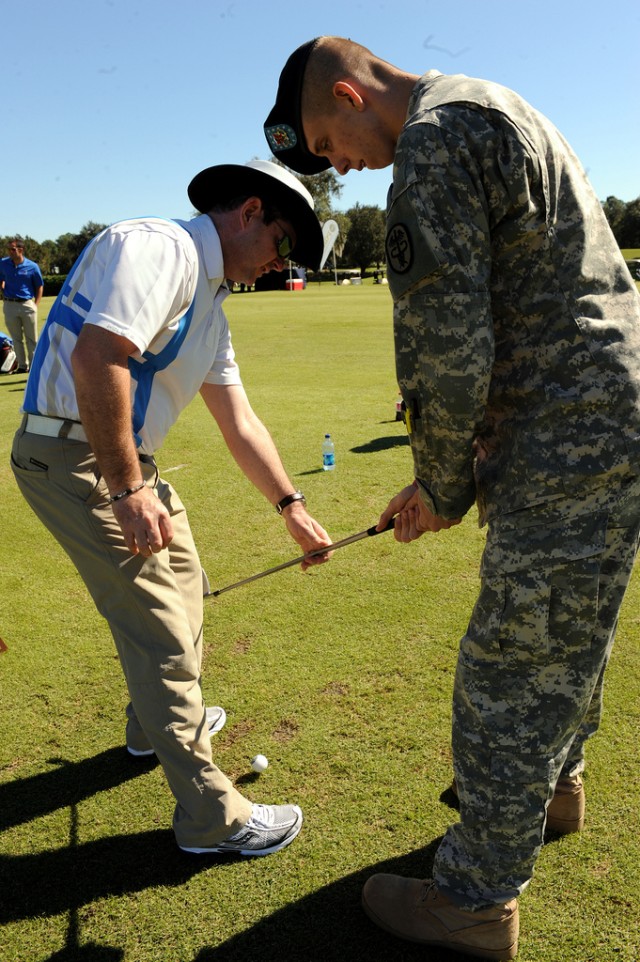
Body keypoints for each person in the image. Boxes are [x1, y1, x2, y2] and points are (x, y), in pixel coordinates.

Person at [264, 38, 640, 958]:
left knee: (508, 671)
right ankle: (555, 789)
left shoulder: (433, 142)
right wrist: (454, 466)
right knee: (569, 631)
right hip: (606, 417)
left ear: (350, 96)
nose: (338, 168)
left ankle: (473, 900)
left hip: (562, 432)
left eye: (329, 143)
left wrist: (441, 483)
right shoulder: (498, 102)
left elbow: (446, 336)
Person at [11, 159, 333, 858]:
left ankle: (147, 725)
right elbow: (100, 357)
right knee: (161, 632)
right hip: (77, 459)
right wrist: (127, 490)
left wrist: (291, 505)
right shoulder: (161, 248)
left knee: (187, 592)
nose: (280, 266)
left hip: (122, 461)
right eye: (281, 245)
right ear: (250, 212)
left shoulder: (211, 303)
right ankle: (212, 819)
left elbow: (239, 420)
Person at [0, 237, 43, 373]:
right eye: (9, 250)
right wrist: (3, 291)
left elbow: (39, 286)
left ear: (21, 250)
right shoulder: (3, 264)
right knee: (16, 338)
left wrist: (35, 304)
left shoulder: (32, 266)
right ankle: (22, 366)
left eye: (13, 249)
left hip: (27, 304)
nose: (10, 252)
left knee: (32, 339)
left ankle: (34, 366)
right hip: (9, 304)